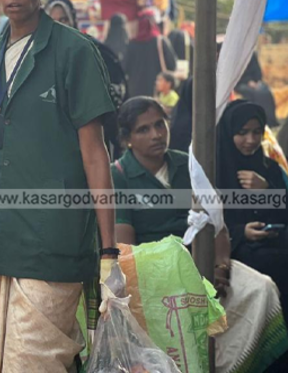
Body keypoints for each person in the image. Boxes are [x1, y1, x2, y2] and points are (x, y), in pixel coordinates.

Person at [0, 0, 117, 372]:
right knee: (0, 359)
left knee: (33, 362)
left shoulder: (74, 51)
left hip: (54, 235)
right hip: (0, 233)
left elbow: (95, 153)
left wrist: (108, 252)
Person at [113, 97, 288, 372]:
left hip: (199, 260)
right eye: (143, 129)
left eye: (160, 124)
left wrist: (220, 265)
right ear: (127, 139)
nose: (157, 134)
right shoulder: (119, 176)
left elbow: (216, 221)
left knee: (261, 287)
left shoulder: (188, 165)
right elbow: (124, 246)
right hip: (152, 272)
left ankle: (234, 365)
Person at [217, 100, 288, 323]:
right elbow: (208, 219)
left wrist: (266, 190)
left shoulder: (270, 168)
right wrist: (241, 232)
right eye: (243, 132)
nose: (251, 141)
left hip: (273, 242)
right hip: (234, 249)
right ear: (229, 132)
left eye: (257, 132)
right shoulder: (215, 169)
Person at [45, 0, 126, 159]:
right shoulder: (38, 57)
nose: (59, 25)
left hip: (93, 138)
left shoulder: (94, 51)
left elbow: (115, 96)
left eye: (64, 19)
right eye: (52, 20)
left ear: (73, 20)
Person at [124, 8, 176, 98]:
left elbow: (125, 68)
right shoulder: (161, 41)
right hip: (157, 91)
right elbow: (172, 65)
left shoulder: (131, 44)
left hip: (135, 92)